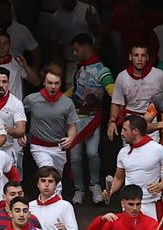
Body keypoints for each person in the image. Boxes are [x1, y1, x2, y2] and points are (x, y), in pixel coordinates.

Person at [106, 116, 163, 230]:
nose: (122, 133)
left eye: (125, 130)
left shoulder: (157, 149)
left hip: (151, 204)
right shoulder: (123, 152)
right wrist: (110, 191)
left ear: (135, 131)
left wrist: (162, 185)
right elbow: (119, 178)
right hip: (129, 206)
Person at [67, 32, 114, 204]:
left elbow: (113, 91)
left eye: (76, 49)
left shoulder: (102, 69)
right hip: (74, 119)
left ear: (86, 47)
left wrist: (118, 113)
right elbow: (75, 91)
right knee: (75, 157)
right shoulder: (79, 67)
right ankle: (79, 189)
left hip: (93, 119)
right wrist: (58, 98)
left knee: (92, 153)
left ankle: (95, 185)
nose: (74, 53)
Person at [23, 64, 78, 183]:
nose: (53, 87)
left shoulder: (67, 102)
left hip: (59, 148)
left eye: (56, 83)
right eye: (49, 83)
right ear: (44, 82)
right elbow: (19, 115)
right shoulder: (31, 100)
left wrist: (71, 138)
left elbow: (72, 125)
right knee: (49, 176)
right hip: (39, 147)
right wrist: (21, 132)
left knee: (57, 183)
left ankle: (57, 201)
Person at [108, 42, 163, 142]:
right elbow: (116, 103)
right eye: (136, 55)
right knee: (130, 155)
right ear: (130, 57)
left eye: (143, 55)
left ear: (148, 57)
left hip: (152, 120)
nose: (140, 59)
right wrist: (112, 121)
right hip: (130, 121)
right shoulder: (122, 77)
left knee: (151, 155)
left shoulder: (159, 75)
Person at [0, 30, 39, 100]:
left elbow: (36, 82)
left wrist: (26, 67)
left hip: (15, 108)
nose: (2, 47)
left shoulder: (18, 63)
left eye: (5, 43)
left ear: (10, 46)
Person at [0, 0, 41, 65]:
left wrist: (35, 68)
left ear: (11, 13)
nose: (4, 15)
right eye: (1, 12)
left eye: (7, 12)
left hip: (17, 69)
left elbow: (35, 52)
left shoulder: (22, 30)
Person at [51, 0, 94, 69]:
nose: (65, 3)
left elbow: (99, 33)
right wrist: (56, 60)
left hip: (91, 59)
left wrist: (96, 48)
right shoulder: (56, 17)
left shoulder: (89, 10)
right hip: (70, 61)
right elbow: (54, 40)